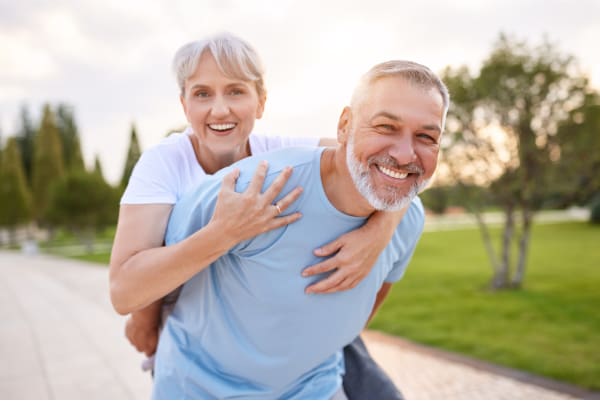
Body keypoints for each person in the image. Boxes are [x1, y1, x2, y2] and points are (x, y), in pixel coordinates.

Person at [110, 33, 405, 398]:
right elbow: (124, 291)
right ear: (184, 104)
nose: (219, 110)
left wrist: (381, 230)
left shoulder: (281, 153)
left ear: (261, 102)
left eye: (236, 91)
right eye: (202, 94)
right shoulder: (163, 164)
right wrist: (223, 234)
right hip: (204, 344)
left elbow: (384, 166)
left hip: (292, 333)